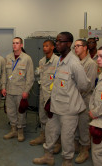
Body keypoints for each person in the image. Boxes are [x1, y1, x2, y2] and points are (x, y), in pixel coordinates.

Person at [33, 32, 90, 166]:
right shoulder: (60, 60)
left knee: (67, 137)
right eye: (56, 41)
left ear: (69, 44)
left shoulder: (74, 63)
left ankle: (67, 161)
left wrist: (71, 94)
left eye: (60, 41)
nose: (57, 44)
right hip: (56, 105)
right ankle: (48, 156)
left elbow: (84, 85)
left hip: (69, 109)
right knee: (51, 131)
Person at [2, 37, 34, 142]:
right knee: (11, 111)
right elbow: (4, 75)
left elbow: (30, 77)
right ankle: (13, 129)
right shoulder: (8, 57)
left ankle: (20, 131)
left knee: (21, 112)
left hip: (21, 91)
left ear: (21, 45)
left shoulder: (27, 58)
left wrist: (26, 90)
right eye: (13, 43)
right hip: (9, 90)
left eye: (17, 43)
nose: (15, 45)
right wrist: (3, 87)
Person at [29, 39, 59, 146]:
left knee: (53, 119)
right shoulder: (41, 61)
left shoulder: (57, 61)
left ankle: (55, 140)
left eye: (47, 46)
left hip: (53, 95)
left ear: (52, 47)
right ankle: (43, 136)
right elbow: (40, 75)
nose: (44, 48)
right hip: (42, 93)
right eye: (43, 46)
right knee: (42, 115)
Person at [73, 39, 97, 164]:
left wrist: (73, 93)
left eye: (78, 46)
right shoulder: (76, 62)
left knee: (83, 124)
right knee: (75, 123)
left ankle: (85, 149)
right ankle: (76, 144)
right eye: (75, 46)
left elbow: (88, 85)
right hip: (74, 98)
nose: (76, 48)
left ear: (85, 48)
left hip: (84, 99)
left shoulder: (90, 64)